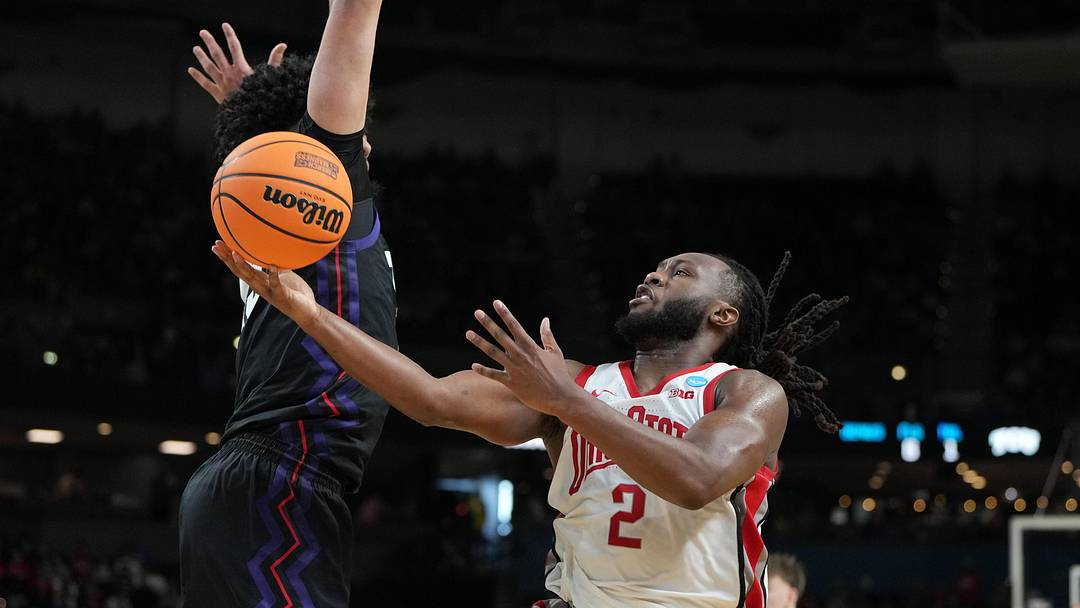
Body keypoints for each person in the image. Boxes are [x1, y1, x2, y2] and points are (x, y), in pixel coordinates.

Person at [213, 244, 845, 607]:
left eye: (679, 272)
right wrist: (307, 311)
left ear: (723, 313)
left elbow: (698, 478)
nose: (653, 274)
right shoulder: (575, 383)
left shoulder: (746, 391)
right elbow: (432, 399)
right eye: (655, 267)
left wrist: (567, 404)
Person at [178, 3, 396, 606]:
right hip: (283, 476)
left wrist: (250, 112)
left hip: (262, 481)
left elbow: (267, 160)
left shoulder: (281, 215)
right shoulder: (325, 187)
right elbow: (352, 20)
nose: (364, 142)